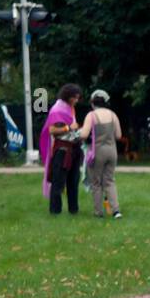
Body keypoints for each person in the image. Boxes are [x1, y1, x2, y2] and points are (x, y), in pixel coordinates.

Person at [39, 83, 83, 215]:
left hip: (74, 149)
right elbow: (52, 130)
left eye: (77, 98)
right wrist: (69, 128)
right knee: (58, 182)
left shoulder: (70, 108)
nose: (76, 100)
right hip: (62, 150)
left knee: (73, 181)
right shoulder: (57, 109)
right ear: (67, 96)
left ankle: (73, 210)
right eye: (74, 98)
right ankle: (55, 211)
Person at [79, 90, 123, 219]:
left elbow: (84, 135)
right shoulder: (113, 115)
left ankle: (98, 212)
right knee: (109, 181)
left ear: (93, 103)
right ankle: (116, 211)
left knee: (96, 182)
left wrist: (78, 132)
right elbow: (119, 135)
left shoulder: (91, 116)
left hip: (97, 152)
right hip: (112, 151)